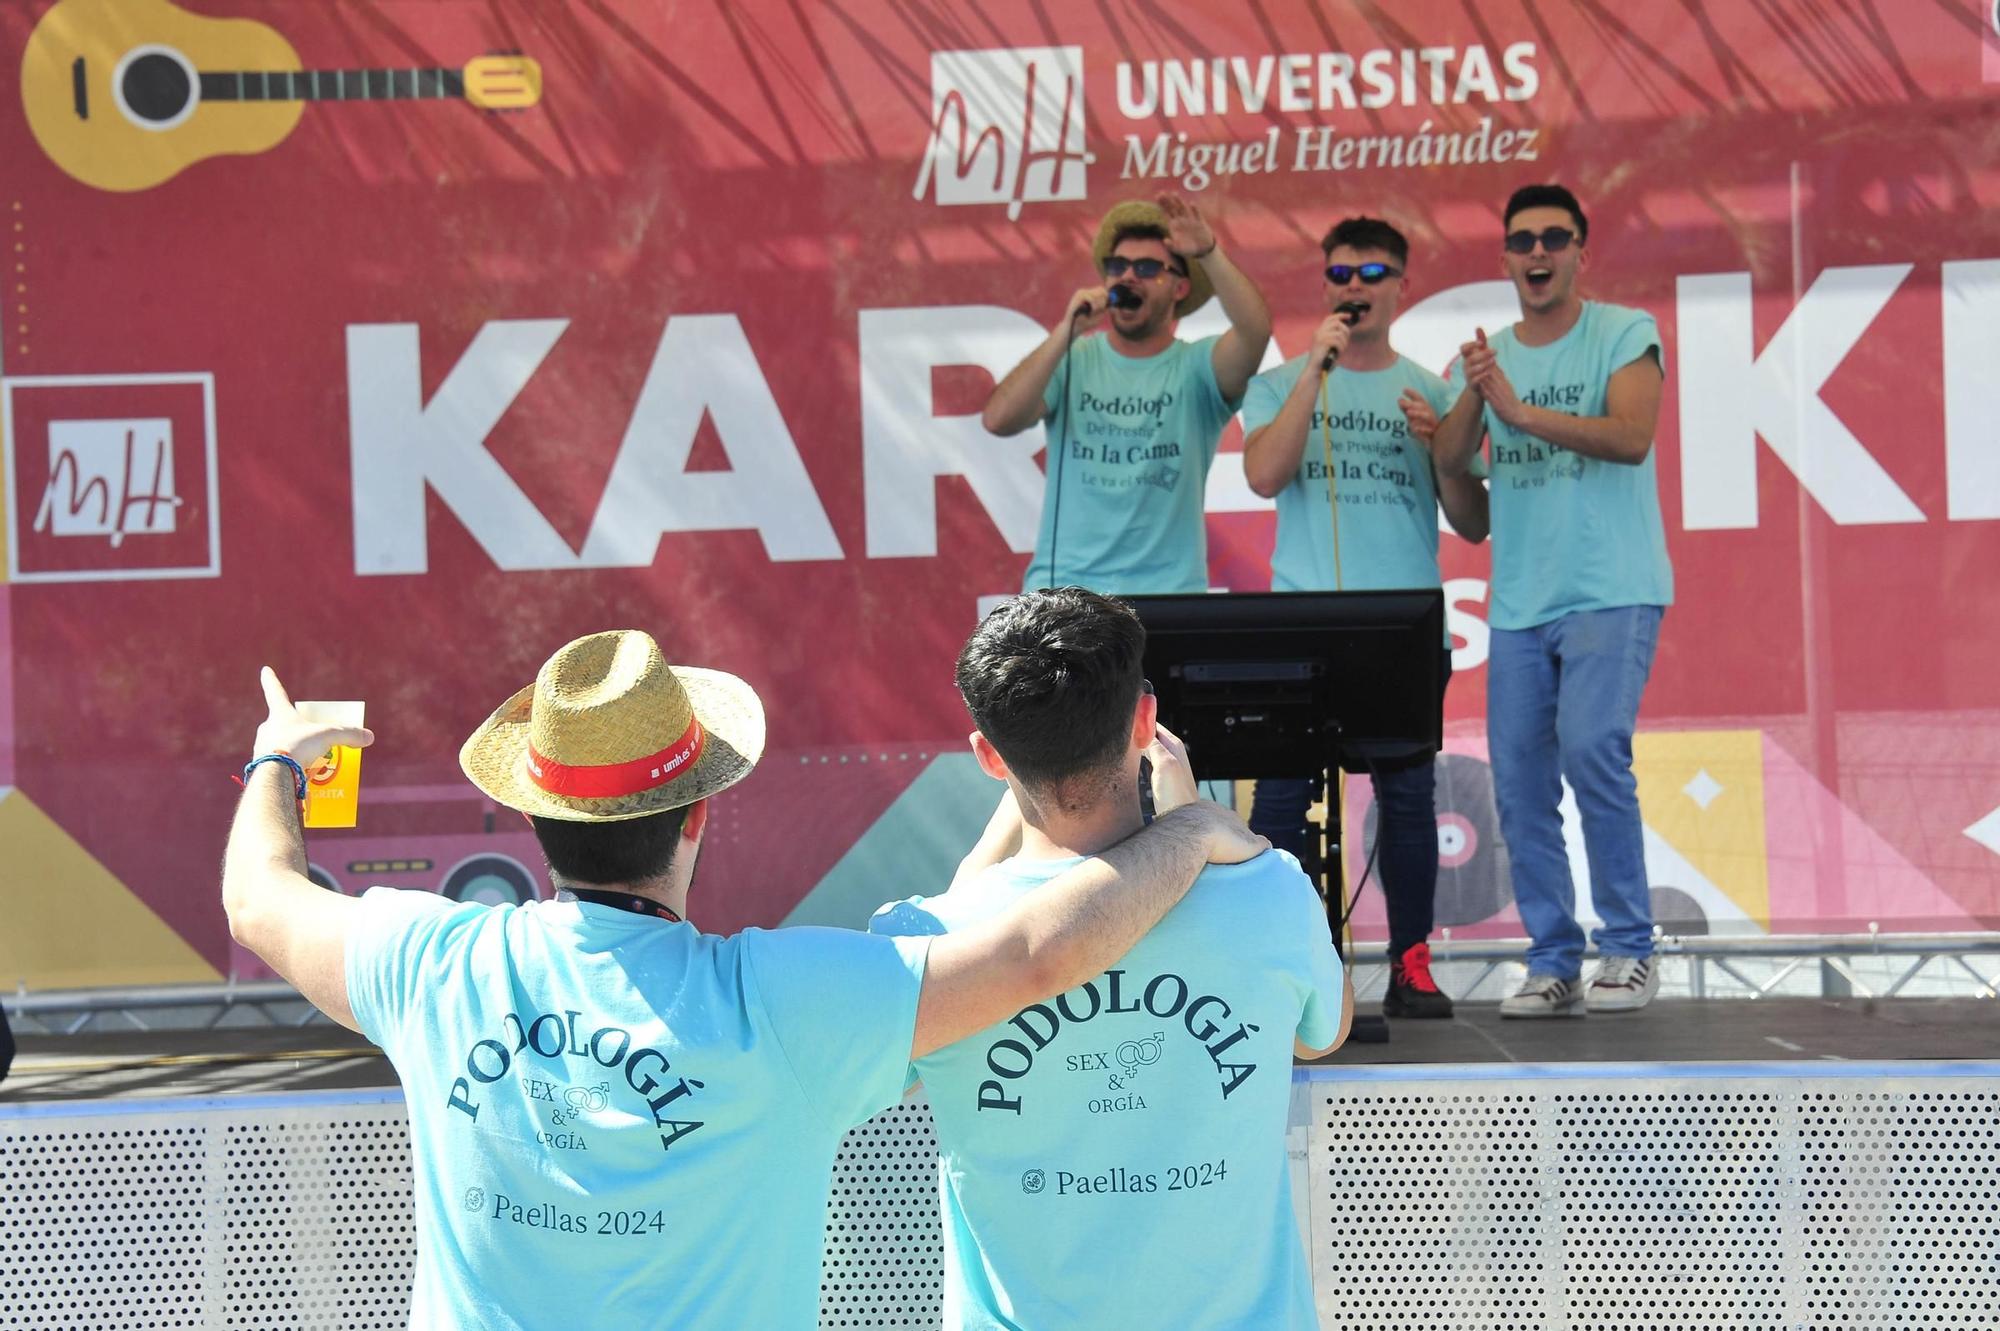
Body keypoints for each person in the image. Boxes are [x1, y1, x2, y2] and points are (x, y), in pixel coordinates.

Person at [220, 629, 1266, 1329]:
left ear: (532, 817)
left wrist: (277, 758)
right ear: (698, 812)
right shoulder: (785, 1005)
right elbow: (1036, 952)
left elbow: (258, 896)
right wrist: (1185, 832)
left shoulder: (431, 963)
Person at [871, 588, 1350, 1330]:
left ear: (988, 756)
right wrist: (1191, 818)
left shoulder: (922, 937)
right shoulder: (1269, 890)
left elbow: (892, 1066)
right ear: (1146, 721)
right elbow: (1324, 1031)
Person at [1430, 182, 1673, 1017]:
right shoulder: (1490, 355)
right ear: (1504, 258)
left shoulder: (1623, 331)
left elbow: (1631, 437)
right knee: (1522, 784)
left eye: (1554, 239)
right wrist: (1473, 394)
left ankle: (1631, 948)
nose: (1538, 253)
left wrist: (1519, 411)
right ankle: (1553, 957)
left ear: (1581, 251)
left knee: (1593, 750)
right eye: (1523, 241)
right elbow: (1458, 469)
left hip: (1611, 586)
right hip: (1522, 602)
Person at [1239, 215, 1490, 1020]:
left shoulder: (1431, 387)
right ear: (1325, 286)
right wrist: (1315, 368)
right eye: (1341, 274)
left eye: (1373, 273)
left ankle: (1411, 961)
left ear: (1401, 285)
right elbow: (1265, 475)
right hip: (1299, 621)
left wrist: (1439, 449)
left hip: (1400, 623)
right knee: (1279, 805)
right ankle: (1284, 966)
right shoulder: (1283, 382)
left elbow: (1471, 516)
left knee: (1408, 800)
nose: (1355, 288)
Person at [982, 193, 1272, 595]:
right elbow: (998, 419)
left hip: (1169, 597)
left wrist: (1207, 252)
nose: (1128, 277)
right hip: (1068, 597)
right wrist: (1067, 331)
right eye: (1117, 267)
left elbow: (1255, 333)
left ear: (1180, 288)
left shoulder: (1197, 368)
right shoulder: (1072, 357)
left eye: (1147, 267)